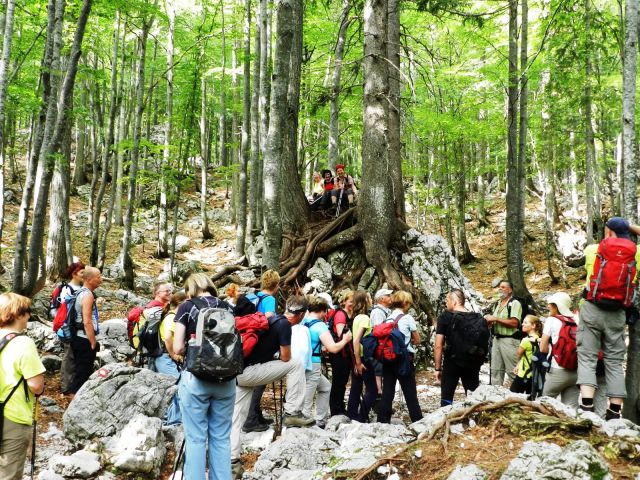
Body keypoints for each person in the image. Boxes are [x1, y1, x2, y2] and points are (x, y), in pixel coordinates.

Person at [230, 295, 313, 479]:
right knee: (296, 363)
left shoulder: (271, 318)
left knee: (237, 418)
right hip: (250, 372)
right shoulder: (284, 326)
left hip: (238, 372)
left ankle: (232, 463)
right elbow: (285, 358)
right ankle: (292, 413)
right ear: (300, 315)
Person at [173, 273, 235, 480]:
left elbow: (178, 346)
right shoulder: (227, 307)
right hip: (226, 380)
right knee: (221, 438)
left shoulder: (186, 307)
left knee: (196, 438)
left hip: (196, 380)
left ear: (191, 287)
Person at [578, 217, 640, 419]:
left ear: (608, 232)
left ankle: (587, 407)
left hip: (592, 308)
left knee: (588, 356)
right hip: (618, 313)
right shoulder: (636, 252)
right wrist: (629, 227)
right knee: (614, 360)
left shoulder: (593, 249)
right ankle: (614, 411)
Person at [0, 293, 46, 480]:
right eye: (27, 312)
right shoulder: (23, 343)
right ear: (18, 314)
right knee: (9, 473)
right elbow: (35, 385)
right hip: (13, 415)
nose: (29, 316)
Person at [303, 296, 352, 428]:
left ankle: (320, 419)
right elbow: (334, 348)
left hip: (302, 361)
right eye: (325, 311)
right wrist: (345, 340)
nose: (326, 315)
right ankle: (305, 421)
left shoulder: (303, 321)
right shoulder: (320, 326)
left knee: (325, 387)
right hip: (313, 363)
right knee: (308, 394)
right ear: (322, 311)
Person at [435, 289, 488, 406]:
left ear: (454, 302)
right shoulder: (477, 318)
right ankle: (475, 419)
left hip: (452, 362)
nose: (446, 303)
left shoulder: (445, 317)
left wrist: (438, 368)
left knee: (447, 395)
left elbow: (438, 345)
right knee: (473, 394)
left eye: (447, 300)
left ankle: (446, 418)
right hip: (472, 362)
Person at [377, 291, 423, 423]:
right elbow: (417, 339)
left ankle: (383, 421)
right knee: (410, 393)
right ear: (406, 303)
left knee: (387, 393)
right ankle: (418, 421)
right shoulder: (407, 318)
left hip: (388, 359)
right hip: (404, 359)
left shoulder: (388, 319)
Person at [243, 270, 279, 433]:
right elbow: (270, 320)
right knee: (260, 380)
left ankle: (256, 415)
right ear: (276, 285)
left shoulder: (251, 296)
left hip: (247, 341)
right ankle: (250, 419)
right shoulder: (270, 299)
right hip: (261, 343)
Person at [51, 261, 84, 395]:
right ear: (74, 274)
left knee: (75, 356)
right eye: (82, 272)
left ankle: (73, 385)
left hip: (78, 328)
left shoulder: (81, 289)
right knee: (69, 356)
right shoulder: (66, 289)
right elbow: (63, 311)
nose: (84, 275)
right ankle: (66, 386)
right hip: (68, 328)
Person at [68, 266, 102, 396]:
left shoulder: (81, 292)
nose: (101, 279)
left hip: (78, 337)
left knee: (80, 370)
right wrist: (93, 342)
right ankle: (73, 402)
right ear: (89, 279)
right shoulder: (87, 295)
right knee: (82, 373)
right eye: (98, 277)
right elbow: (87, 321)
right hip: (84, 339)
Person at [484, 280, 522, 387]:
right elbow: (497, 321)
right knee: (495, 370)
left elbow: (514, 323)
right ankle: (496, 397)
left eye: (503, 287)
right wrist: (490, 322)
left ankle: (518, 396)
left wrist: (496, 318)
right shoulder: (498, 304)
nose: (500, 289)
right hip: (496, 340)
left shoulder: (514, 303)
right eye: (499, 287)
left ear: (510, 290)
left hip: (510, 340)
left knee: (513, 370)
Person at [347, 291, 377, 422]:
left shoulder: (356, 317)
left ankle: (352, 414)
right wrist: (358, 362)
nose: (372, 300)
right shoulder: (365, 318)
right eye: (370, 298)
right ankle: (361, 417)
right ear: (365, 301)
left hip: (357, 356)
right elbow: (356, 340)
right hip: (363, 357)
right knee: (373, 389)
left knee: (356, 386)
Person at [328, 290, 355, 416]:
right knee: (338, 382)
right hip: (338, 352)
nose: (352, 304)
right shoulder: (340, 314)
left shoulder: (352, 313)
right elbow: (341, 334)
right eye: (350, 301)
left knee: (343, 382)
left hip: (347, 353)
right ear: (344, 301)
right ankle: (335, 409)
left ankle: (340, 406)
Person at [152, 289, 185, 378]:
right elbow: (167, 337)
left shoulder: (174, 317)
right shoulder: (171, 317)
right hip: (165, 358)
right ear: (180, 304)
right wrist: (173, 355)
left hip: (167, 357)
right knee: (178, 383)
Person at [510, 315, 543, 395]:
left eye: (525, 322)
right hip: (533, 375)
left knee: (512, 396)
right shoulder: (539, 339)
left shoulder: (525, 340)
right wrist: (518, 365)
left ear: (533, 326)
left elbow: (518, 354)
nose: (522, 324)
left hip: (523, 374)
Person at [370, 288, 393, 397]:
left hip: (383, 347)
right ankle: (378, 399)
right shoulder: (378, 312)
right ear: (382, 299)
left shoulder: (384, 311)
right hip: (380, 348)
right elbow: (379, 331)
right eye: (388, 295)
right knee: (378, 373)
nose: (390, 297)